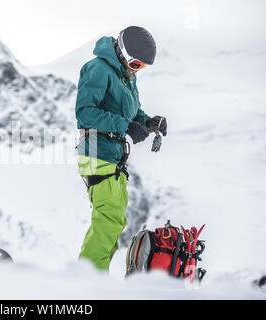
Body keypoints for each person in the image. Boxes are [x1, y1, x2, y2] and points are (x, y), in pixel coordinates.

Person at [75, 26, 167, 271]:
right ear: (122, 52)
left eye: (142, 67)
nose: (137, 70)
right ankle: (86, 282)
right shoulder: (98, 70)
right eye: (136, 64)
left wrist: (149, 122)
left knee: (114, 221)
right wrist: (125, 125)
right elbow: (85, 112)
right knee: (108, 219)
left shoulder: (126, 77)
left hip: (113, 157)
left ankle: (93, 277)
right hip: (95, 151)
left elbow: (134, 113)